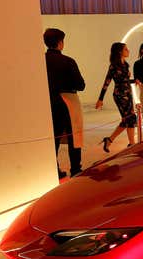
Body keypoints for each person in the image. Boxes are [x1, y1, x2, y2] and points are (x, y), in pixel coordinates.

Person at [43, 28, 86, 178]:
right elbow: (81, 85)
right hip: (68, 101)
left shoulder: (41, 61)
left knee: (53, 137)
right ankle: (75, 168)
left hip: (48, 101)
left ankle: (54, 168)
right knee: (74, 134)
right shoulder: (68, 61)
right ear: (60, 42)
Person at [96, 42, 137, 152]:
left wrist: (135, 81)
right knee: (130, 118)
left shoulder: (126, 64)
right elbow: (107, 82)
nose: (128, 50)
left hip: (128, 94)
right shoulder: (114, 66)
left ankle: (109, 140)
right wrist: (100, 99)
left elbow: (126, 80)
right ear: (120, 51)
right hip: (120, 95)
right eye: (126, 49)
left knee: (127, 120)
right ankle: (132, 144)